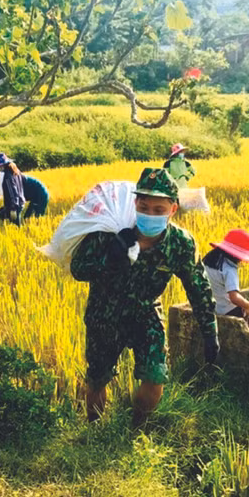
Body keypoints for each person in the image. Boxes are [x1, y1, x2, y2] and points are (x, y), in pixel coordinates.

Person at [70, 168, 218, 427]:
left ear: (173, 210)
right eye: (144, 206)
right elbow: (78, 270)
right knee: (97, 378)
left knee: (155, 376)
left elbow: (199, 288)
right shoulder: (110, 231)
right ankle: (94, 429)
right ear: (135, 203)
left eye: (158, 210)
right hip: (104, 313)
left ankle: (135, 430)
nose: (149, 214)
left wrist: (210, 333)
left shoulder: (181, 244)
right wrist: (110, 257)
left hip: (146, 313)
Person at [204, 230, 249, 318]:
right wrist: (247, 306)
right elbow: (234, 297)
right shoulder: (229, 268)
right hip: (227, 311)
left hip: (209, 308)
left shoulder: (209, 261)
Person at [0, 153, 50, 223]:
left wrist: (13, 209)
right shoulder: (12, 170)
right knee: (26, 219)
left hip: (41, 195)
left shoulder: (9, 177)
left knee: (33, 220)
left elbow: (13, 193)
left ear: (2, 165)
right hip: (35, 194)